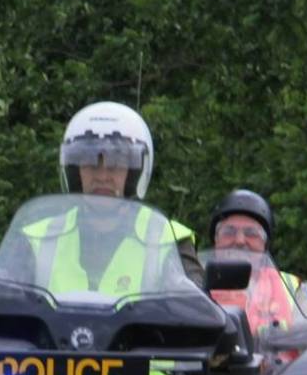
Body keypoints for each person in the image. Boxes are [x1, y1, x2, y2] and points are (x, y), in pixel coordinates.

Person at [22, 101, 205, 295]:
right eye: (91, 164)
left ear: (133, 174)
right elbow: (5, 297)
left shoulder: (168, 240)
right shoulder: (38, 239)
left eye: (115, 164)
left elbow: (196, 304)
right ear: (75, 172)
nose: (102, 177)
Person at [207, 189, 307, 333]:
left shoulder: (292, 287)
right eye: (229, 232)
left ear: (265, 244)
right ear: (216, 240)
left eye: (251, 233)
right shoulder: (194, 284)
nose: (240, 241)